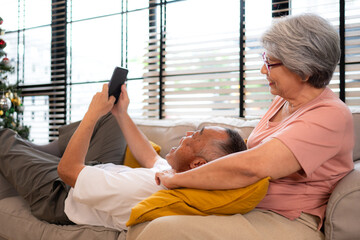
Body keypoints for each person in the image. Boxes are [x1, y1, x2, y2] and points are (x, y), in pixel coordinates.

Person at [127, 13, 355, 240]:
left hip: (286, 218)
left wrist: (175, 179)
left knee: (162, 230)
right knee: (144, 222)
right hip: (247, 204)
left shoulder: (330, 115)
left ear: (304, 70)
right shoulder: (282, 101)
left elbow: (255, 165)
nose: (263, 70)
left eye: (270, 63)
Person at [0, 84, 247, 230]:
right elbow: (151, 159)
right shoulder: (181, 179)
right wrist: (121, 113)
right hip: (96, 169)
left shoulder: (148, 189)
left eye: (195, 138)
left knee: (4, 137)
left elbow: (68, 171)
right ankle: (36, 151)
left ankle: (25, 152)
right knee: (110, 117)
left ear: (198, 163)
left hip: (61, 192)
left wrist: (91, 113)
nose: (187, 135)